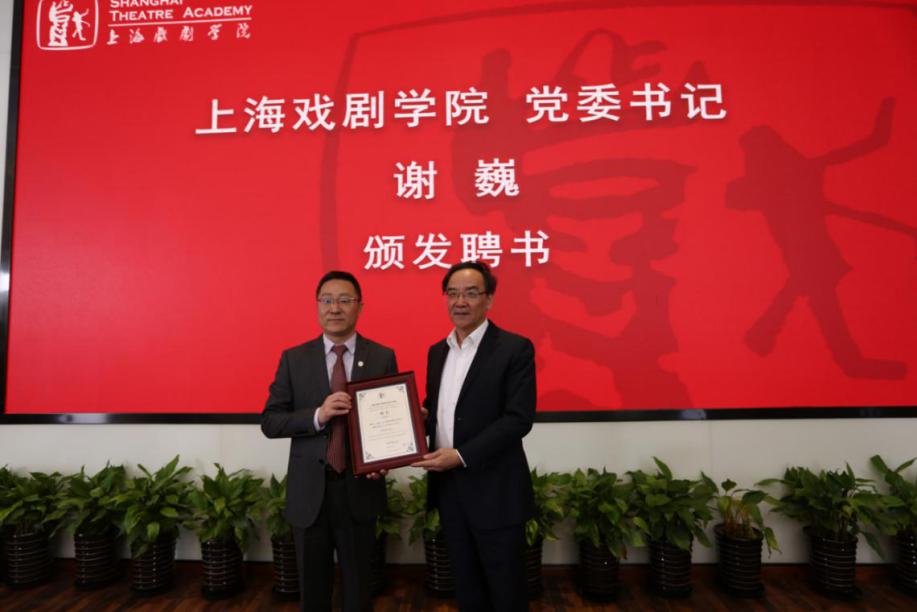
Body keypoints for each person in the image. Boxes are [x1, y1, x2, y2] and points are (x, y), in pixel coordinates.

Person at [261, 270, 397, 612]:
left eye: (344, 300)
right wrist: (318, 415)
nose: (335, 308)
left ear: (360, 306)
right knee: (313, 593)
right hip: (310, 494)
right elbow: (271, 421)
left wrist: (385, 459)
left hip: (359, 491)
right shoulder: (294, 358)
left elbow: (388, 421)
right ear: (317, 305)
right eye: (327, 300)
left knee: (358, 592)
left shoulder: (381, 356)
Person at [413, 260, 536, 611]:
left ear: (489, 299)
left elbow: (518, 419)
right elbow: (439, 409)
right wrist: (419, 419)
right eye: (452, 293)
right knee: (466, 589)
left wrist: (460, 455)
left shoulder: (514, 349)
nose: (460, 302)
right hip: (451, 492)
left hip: (496, 492)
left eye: (470, 293)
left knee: (506, 591)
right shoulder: (438, 352)